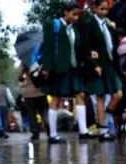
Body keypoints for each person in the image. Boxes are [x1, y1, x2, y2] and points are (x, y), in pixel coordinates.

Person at [40, 2, 90, 144]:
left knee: (80, 94)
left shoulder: (74, 29)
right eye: (73, 14)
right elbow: (48, 47)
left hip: (73, 68)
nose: (76, 18)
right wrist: (47, 67)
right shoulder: (52, 25)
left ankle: (83, 131)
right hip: (58, 68)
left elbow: (77, 47)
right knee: (56, 98)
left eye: (78, 15)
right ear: (65, 12)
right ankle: (53, 134)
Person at [79, 0, 122, 141]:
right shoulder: (88, 24)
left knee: (117, 94)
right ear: (95, 8)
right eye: (101, 9)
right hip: (98, 65)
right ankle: (103, 130)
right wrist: (94, 64)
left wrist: (114, 29)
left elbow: (114, 44)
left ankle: (107, 116)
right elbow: (85, 46)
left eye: (106, 9)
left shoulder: (108, 25)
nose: (104, 12)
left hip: (110, 64)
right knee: (100, 97)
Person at [19, 65, 49, 141]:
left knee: (32, 114)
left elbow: (20, 77)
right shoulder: (40, 61)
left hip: (28, 94)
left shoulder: (25, 62)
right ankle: (49, 129)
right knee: (44, 112)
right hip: (41, 92)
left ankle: (35, 133)